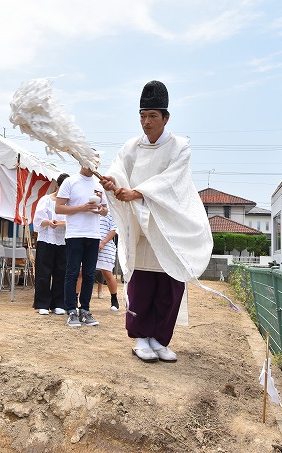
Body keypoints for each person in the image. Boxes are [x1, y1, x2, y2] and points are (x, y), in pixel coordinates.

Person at [100, 80, 213, 363]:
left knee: (169, 287)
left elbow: (172, 182)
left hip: (169, 227)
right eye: (142, 116)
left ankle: (161, 340)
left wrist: (137, 192)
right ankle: (141, 338)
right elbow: (118, 171)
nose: (146, 122)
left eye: (152, 116)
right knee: (142, 284)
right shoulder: (130, 147)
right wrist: (113, 184)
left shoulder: (179, 147)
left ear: (166, 117)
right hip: (140, 226)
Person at [55, 165, 108, 327]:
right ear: (81, 162)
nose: (93, 165)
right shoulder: (70, 182)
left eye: (96, 161)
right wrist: (82, 208)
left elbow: (106, 210)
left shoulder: (99, 185)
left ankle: (85, 309)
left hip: (93, 234)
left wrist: (100, 210)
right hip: (75, 234)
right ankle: (71, 310)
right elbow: (59, 207)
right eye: (89, 161)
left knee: (90, 274)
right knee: (72, 272)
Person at [32, 173, 70, 316]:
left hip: (63, 239)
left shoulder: (70, 203)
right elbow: (37, 220)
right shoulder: (46, 200)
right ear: (57, 186)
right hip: (46, 239)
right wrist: (48, 222)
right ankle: (42, 304)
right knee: (44, 272)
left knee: (61, 272)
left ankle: (58, 303)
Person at [95, 211, 119, 311]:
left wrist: (103, 243)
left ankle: (114, 299)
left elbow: (114, 228)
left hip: (106, 246)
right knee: (81, 272)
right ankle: (75, 299)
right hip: (89, 244)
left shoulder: (110, 211)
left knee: (107, 273)